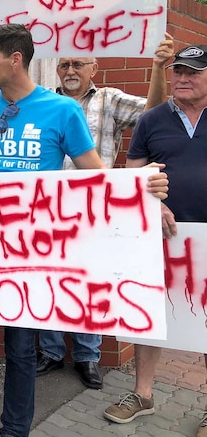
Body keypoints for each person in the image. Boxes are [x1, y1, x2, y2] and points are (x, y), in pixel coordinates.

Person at [0, 24, 169, 437]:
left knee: (22, 347)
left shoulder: (62, 111)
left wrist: (139, 184)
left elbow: (93, 174)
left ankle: (15, 430)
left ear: (15, 59)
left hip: (29, 251)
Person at [36, 35, 174, 389]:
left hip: (95, 207)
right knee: (48, 276)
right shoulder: (44, 101)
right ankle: (51, 352)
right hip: (47, 204)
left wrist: (158, 67)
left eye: (77, 64)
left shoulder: (109, 99)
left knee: (91, 280)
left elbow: (154, 112)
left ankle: (87, 356)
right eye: (64, 64)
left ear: (94, 69)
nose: (69, 70)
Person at [103, 44, 207, 436]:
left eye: (192, 72)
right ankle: (142, 395)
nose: (181, 77)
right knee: (150, 314)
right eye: (177, 70)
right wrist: (151, 198)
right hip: (160, 235)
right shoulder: (152, 120)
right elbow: (133, 173)